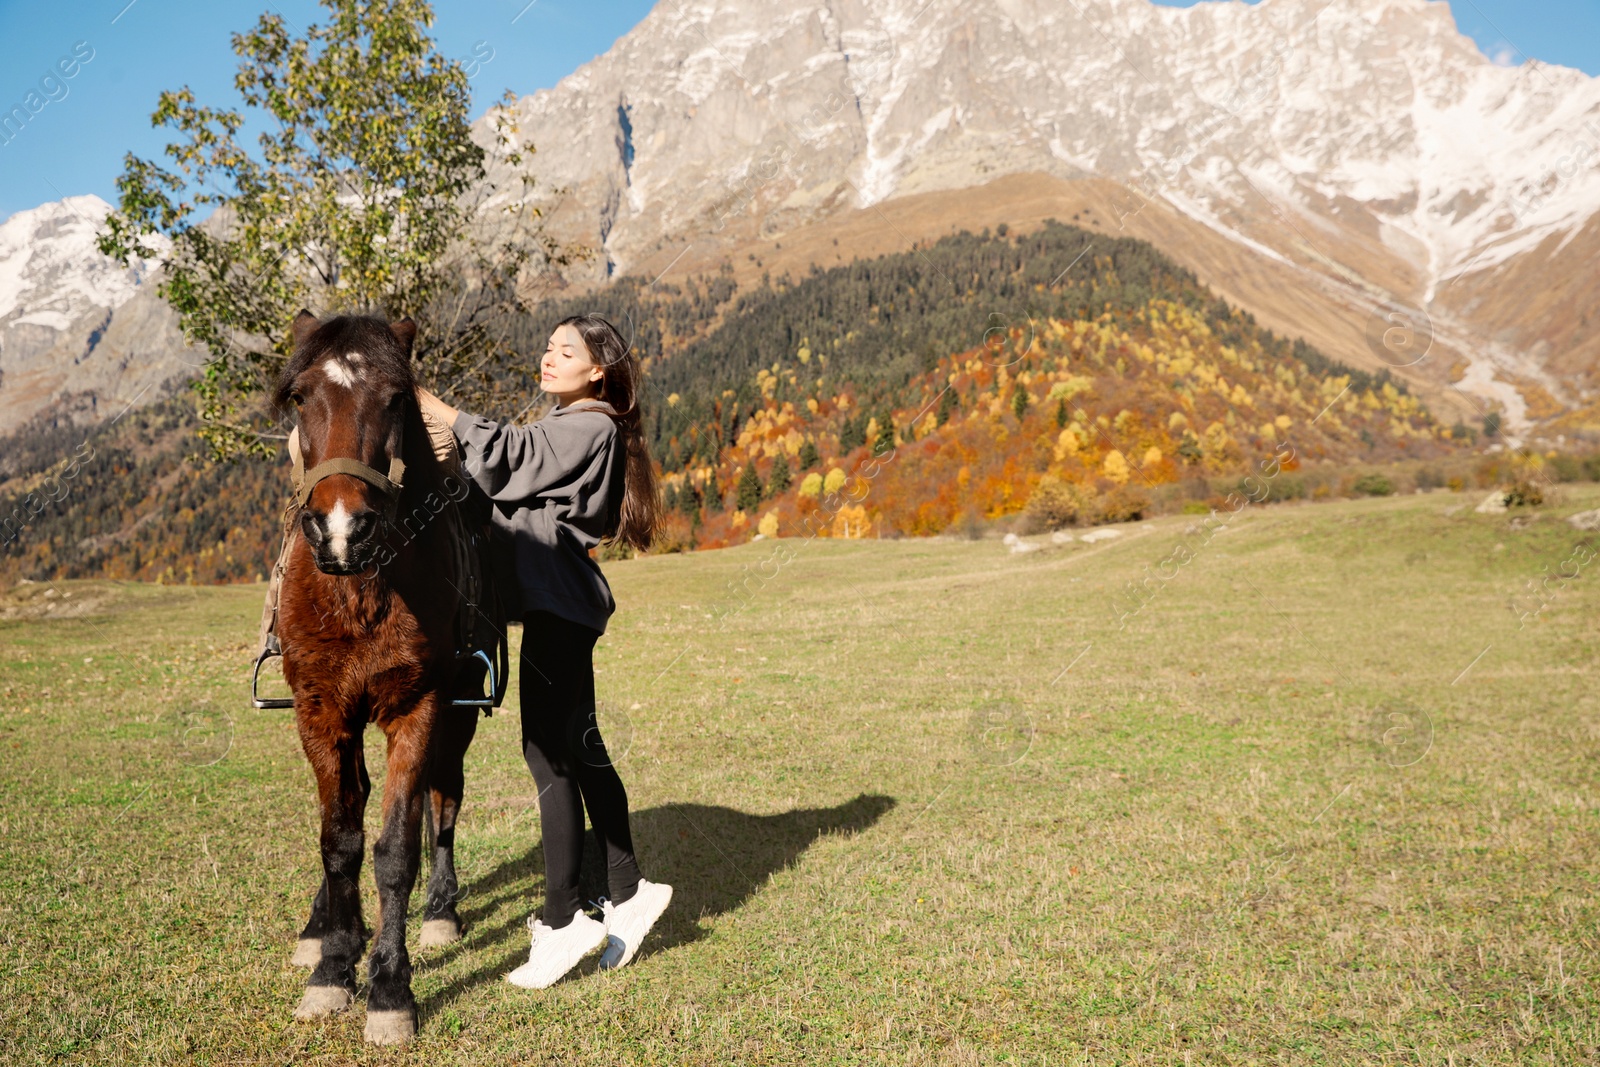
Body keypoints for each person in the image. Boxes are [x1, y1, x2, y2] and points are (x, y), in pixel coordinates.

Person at [416, 315, 672, 989]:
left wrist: (435, 406)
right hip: (561, 603)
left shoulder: (586, 425)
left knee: (551, 753)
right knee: (580, 749)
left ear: (597, 370)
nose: (547, 358)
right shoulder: (585, 423)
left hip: (559, 603)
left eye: (566, 351)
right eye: (548, 347)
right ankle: (628, 887)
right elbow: (505, 487)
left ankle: (563, 922)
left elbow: (512, 457)